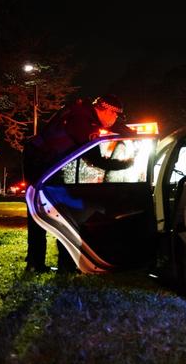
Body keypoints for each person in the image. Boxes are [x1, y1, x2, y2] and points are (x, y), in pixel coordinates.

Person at [23, 94, 134, 273]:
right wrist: (124, 164)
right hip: (39, 162)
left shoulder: (85, 114)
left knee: (59, 208)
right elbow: (94, 158)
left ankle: (49, 264)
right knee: (48, 208)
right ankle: (46, 264)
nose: (115, 120)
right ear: (106, 110)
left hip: (45, 161)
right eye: (115, 115)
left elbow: (118, 128)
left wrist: (135, 135)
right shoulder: (83, 120)